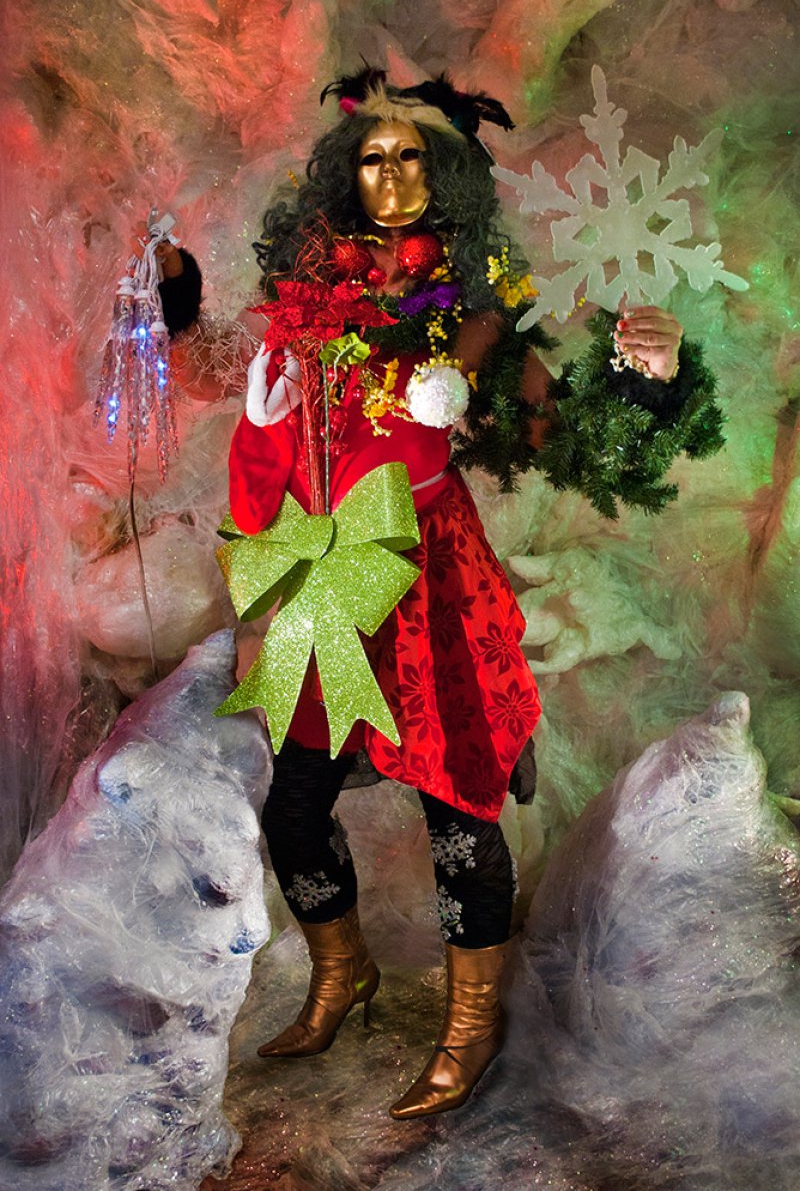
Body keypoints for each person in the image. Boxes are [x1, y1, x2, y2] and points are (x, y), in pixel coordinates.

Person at [156, 67, 684, 1119]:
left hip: (432, 580)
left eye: (410, 157)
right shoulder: (309, 304)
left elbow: (578, 442)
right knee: (293, 809)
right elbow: (222, 367)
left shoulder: (476, 317)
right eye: (370, 156)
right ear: (341, 176)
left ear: (439, 174)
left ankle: (468, 1023)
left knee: (456, 811)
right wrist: (178, 303)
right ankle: (341, 974)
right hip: (326, 575)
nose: (389, 175)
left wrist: (645, 380)